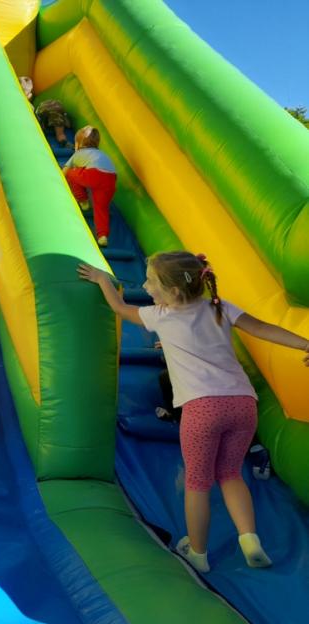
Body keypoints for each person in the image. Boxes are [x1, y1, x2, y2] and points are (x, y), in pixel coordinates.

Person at [78, 251, 309, 573]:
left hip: (203, 409)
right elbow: (263, 328)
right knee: (230, 474)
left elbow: (119, 307)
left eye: (150, 281)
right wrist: (305, 344)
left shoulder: (160, 316)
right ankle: (250, 539)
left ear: (173, 292)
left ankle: (198, 553)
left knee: (198, 482)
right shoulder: (219, 307)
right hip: (243, 405)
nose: (144, 286)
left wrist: (103, 280)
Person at [63, 125, 117, 247]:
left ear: (78, 145)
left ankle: (83, 200)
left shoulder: (78, 154)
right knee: (101, 208)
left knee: (71, 173)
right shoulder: (101, 154)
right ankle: (102, 236)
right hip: (111, 178)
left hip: (94, 174)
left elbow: (64, 172)